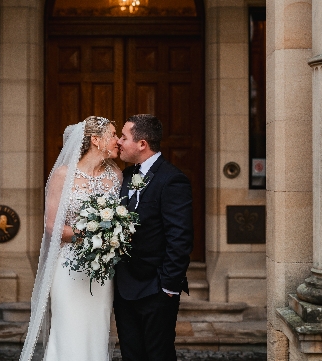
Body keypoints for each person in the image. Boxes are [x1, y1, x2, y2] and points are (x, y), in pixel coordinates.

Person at [19, 116, 122, 361]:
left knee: (96, 329)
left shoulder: (116, 176)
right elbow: (52, 226)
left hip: (101, 267)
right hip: (68, 266)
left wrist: (111, 236)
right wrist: (91, 234)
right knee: (68, 329)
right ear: (96, 140)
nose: (118, 140)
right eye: (113, 134)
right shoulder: (64, 175)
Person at [114, 114, 194, 361]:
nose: (118, 141)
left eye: (124, 137)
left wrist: (168, 287)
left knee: (158, 355)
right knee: (131, 354)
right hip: (125, 288)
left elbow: (180, 237)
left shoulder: (172, 179)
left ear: (142, 144)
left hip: (156, 289)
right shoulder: (126, 176)